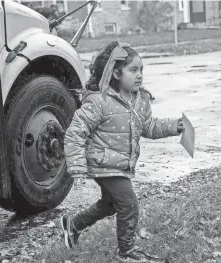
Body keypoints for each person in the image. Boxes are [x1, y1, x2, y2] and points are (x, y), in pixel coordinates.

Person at [60, 41, 184, 262]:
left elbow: (148, 126)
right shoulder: (100, 101)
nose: (139, 76)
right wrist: (77, 164)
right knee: (129, 205)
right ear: (116, 73)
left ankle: (73, 224)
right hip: (103, 163)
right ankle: (126, 253)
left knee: (110, 205)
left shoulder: (140, 100)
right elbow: (75, 132)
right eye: (133, 70)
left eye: (141, 70)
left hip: (120, 165)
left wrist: (174, 126)